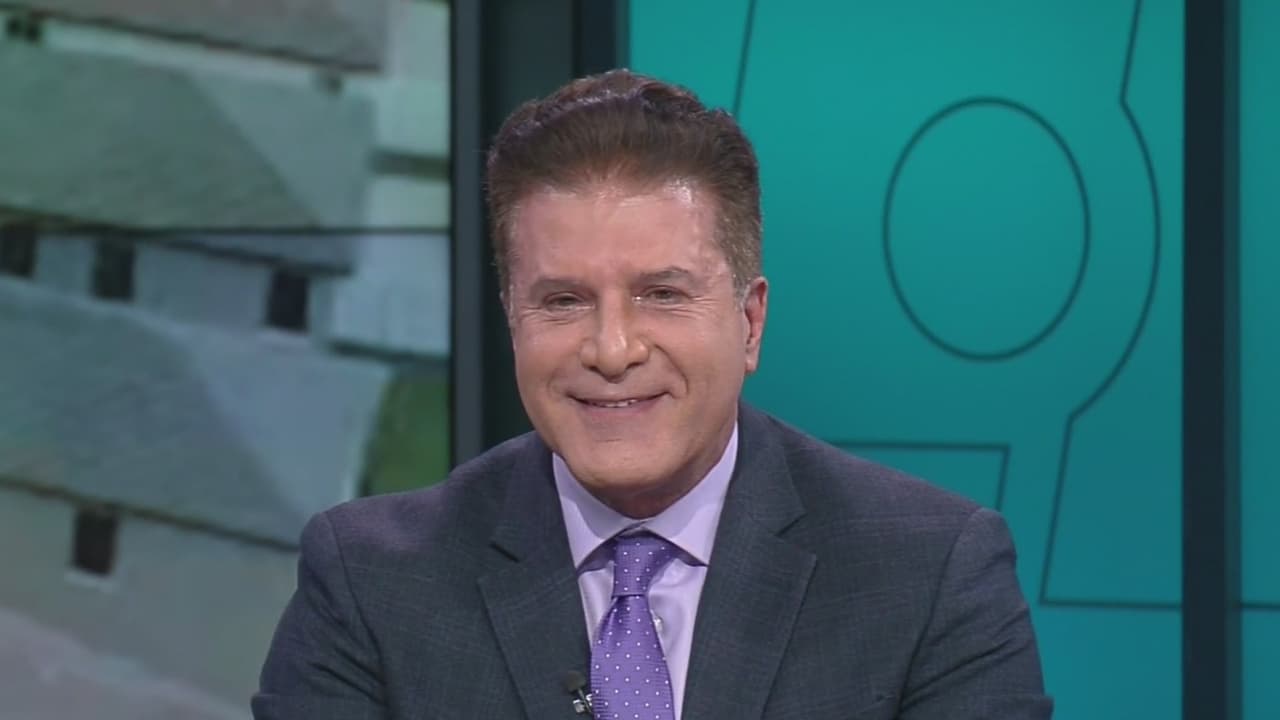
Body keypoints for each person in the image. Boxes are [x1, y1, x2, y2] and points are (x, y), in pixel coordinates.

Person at [253, 69, 1052, 720]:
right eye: (563, 301)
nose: (612, 350)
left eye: (662, 295)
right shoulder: (373, 583)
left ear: (749, 322)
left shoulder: (929, 575)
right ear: (512, 321)